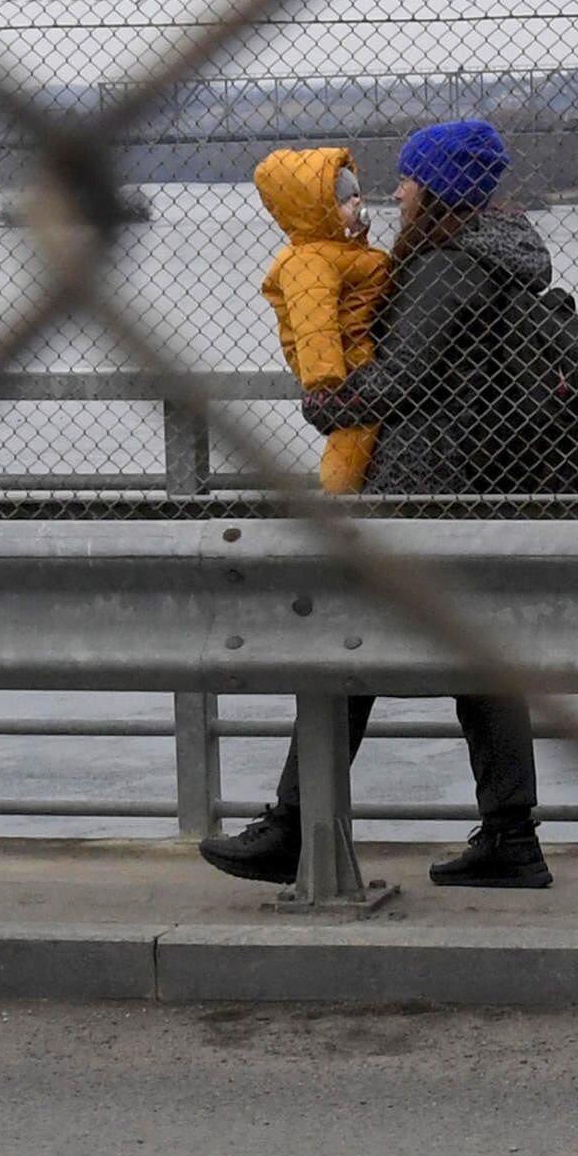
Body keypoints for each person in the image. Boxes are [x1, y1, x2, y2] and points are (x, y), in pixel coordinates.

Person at [199, 118, 555, 892]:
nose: (398, 192)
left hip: (422, 491)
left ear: (439, 190)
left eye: (409, 180)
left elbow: (407, 379)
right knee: (476, 665)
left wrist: (329, 404)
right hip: (471, 486)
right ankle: (510, 838)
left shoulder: (445, 271)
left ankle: (294, 828)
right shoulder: (497, 255)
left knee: (345, 646)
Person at [250, 146, 391, 496]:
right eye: (345, 199)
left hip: (364, 356)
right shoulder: (308, 260)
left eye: (357, 193)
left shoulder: (340, 251)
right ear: (319, 210)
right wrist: (327, 379)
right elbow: (314, 322)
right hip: (350, 369)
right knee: (353, 441)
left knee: (369, 440)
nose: (357, 203)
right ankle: (339, 501)